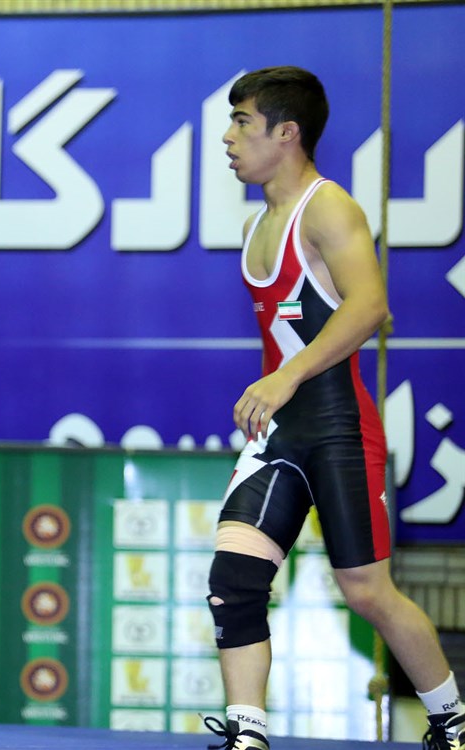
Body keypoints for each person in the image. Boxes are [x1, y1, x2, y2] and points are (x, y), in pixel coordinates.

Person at [205, 66, 463, 750]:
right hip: (278, 437)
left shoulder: (329, 208)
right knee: (234, 581)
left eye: (242, 123)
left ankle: (453, 723)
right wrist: (278, 389)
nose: (228, 137)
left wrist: (284, 378)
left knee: (367, 591)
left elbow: (370, 306)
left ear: (286, 133)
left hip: (339, 430)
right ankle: (248, 736)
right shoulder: (258, 224)